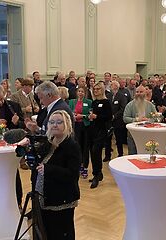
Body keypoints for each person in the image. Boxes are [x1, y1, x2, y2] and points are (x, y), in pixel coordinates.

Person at [34, 110, 81, 240]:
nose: (55, 125)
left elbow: (72, 175)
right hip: (45, 196)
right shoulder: (49, 141)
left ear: (67, 124)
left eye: (59, 122)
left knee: (60, 232)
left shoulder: (71, 145)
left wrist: (49, 169)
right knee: (45, 231)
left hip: (61, 199)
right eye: (52, 122)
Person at [87, 82, 112, 188]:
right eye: (94, 89)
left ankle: (97, 174)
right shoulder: (94, 102)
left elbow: (109, 116)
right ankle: (97, 173)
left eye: (97, 89)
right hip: (92, 130)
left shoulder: (106, 102)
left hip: (101, 130)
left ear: (102, 90)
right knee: (92, 152)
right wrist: (90, 117)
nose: (95, 91)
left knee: (96, 151)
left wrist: (97, 117)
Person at [123, 85, 157, 154]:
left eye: (141, 92)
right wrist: (136, 119)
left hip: (147, 134)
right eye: (137, 92)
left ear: (145, 93)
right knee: (133, 154)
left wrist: (148, 120)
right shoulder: (130, 105)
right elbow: (125, 118)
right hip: (133, 135)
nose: (138, 93)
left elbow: (156, 118)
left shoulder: (150, 105)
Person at [68, 87, 92, 178]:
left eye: (82, 91)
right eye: (79, 91)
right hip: (75, 126)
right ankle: (78, 166)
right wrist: (73, 115)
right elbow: (69, 113)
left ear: (85, 93)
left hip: (85, 126)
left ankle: (85, 167)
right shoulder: (71, 102)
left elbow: (90, 115)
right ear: (76, 92)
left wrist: (82, 116)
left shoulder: (89, 102)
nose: (81, 93)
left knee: (85, 147)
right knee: (77, 147)